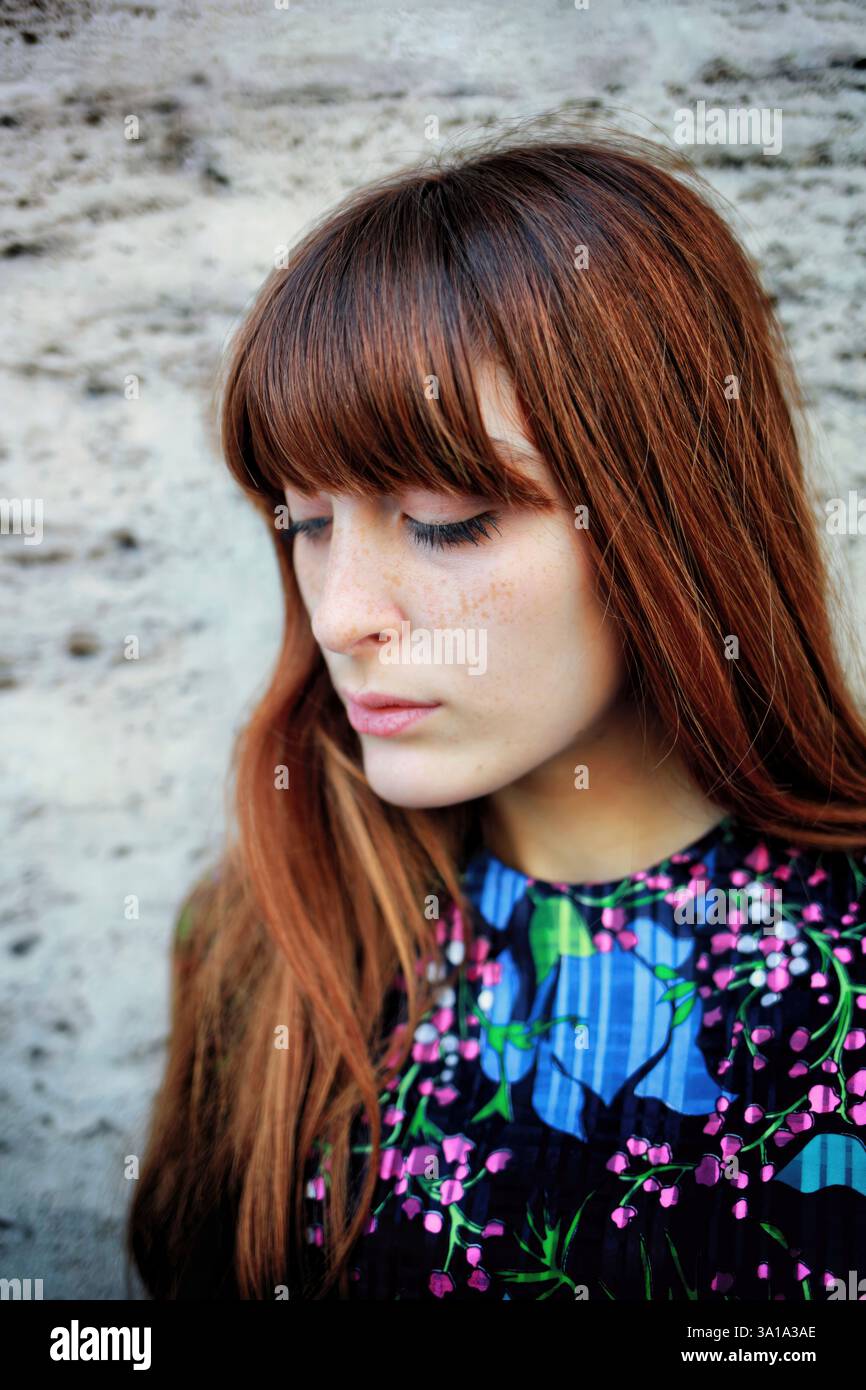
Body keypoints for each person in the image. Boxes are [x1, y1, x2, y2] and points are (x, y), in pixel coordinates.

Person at [127, 124, 866, 1301]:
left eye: (444, 516)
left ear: (673, 514)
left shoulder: (842, 974)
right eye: (306, 521)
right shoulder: (266, 934)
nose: (341, 614)